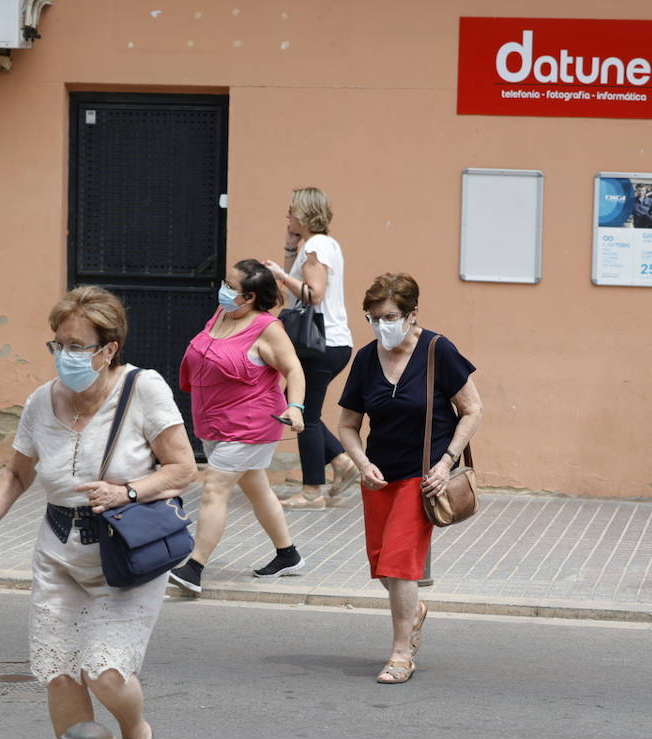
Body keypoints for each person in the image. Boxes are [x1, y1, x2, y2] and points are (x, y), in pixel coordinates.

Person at [0, 286, 197, 739]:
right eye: (58, 343)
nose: (65, 354)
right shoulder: (42, 401)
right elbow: (18, 470)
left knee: (105, 673)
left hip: (123, 554)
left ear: (108, 349)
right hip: (58, 551)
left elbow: (183, 469)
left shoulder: (143, 390)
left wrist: (127, 490)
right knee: (60, 674)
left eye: (77, 344)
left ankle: (136, 730)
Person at [336, 273, 482, 683]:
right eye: (373, 318)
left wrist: (446, 462)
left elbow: (472, 409)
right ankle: (413, 610)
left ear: (412, 313)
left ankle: (401, 653)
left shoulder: (438, 350)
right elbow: (347, 423)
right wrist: (362, 464)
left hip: (422, 479)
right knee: (384, 567)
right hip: (379, 477)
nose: (382, 325)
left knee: (400, 567)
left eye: (389, 317)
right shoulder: (366, 358)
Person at [168, 259, 308, 595]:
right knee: (257, 488)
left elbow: (294, 369)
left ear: (250, 298)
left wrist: (296, 407)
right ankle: (288, 555)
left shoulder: (266, 327)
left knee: (215, 488)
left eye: (232, 287)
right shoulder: (221, 314)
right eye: (225, 282)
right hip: (215, 422)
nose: (224, 290)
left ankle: (194, 567)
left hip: (252, 423)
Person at [261, 187, 360, 510]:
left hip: (321, 343)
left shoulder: (317, 245)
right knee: (305, 409)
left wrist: (278, 274)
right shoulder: (319, 245)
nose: (287, 216)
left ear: (304, 213)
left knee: (303, 413)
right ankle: (341, 464)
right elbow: (298, 286)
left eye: (291, 211)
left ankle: (312, 490)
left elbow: (313, 294)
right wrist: (290, 249)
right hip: (329, 343)